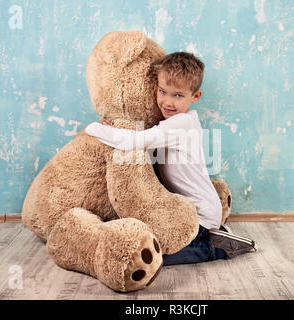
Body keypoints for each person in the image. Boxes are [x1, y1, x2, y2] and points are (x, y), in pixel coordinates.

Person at [85, 52, 255, 266]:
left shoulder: (181, 124)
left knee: (153, 258)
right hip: (184, 210)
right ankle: (213, 236)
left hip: (199, 217)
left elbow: (132, 142)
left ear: (195, 96)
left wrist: (92, 129)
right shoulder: (174, 123)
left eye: (178, 95)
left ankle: (215, 248)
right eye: (162, 91)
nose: (167, 102)